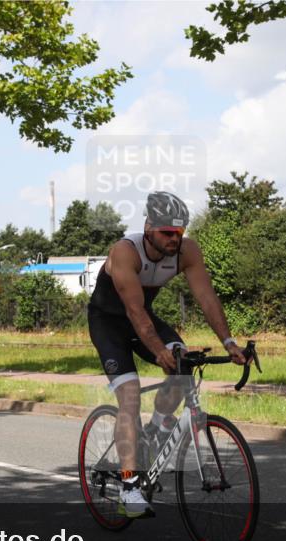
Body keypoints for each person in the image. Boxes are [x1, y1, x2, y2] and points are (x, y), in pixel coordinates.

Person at [88, 191, 246, 518]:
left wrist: (229, 341)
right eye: (167, 233)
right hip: (109, 323)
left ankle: (159, 425)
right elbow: (133, 309)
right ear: (148, 228)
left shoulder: (187, 251)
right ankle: (129, 487)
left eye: (180, 232)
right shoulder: (124, 253)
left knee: (183, 365)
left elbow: (206, 297)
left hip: (144, 319)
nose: (175, 239)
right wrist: (158, 350)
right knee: (130, 396)